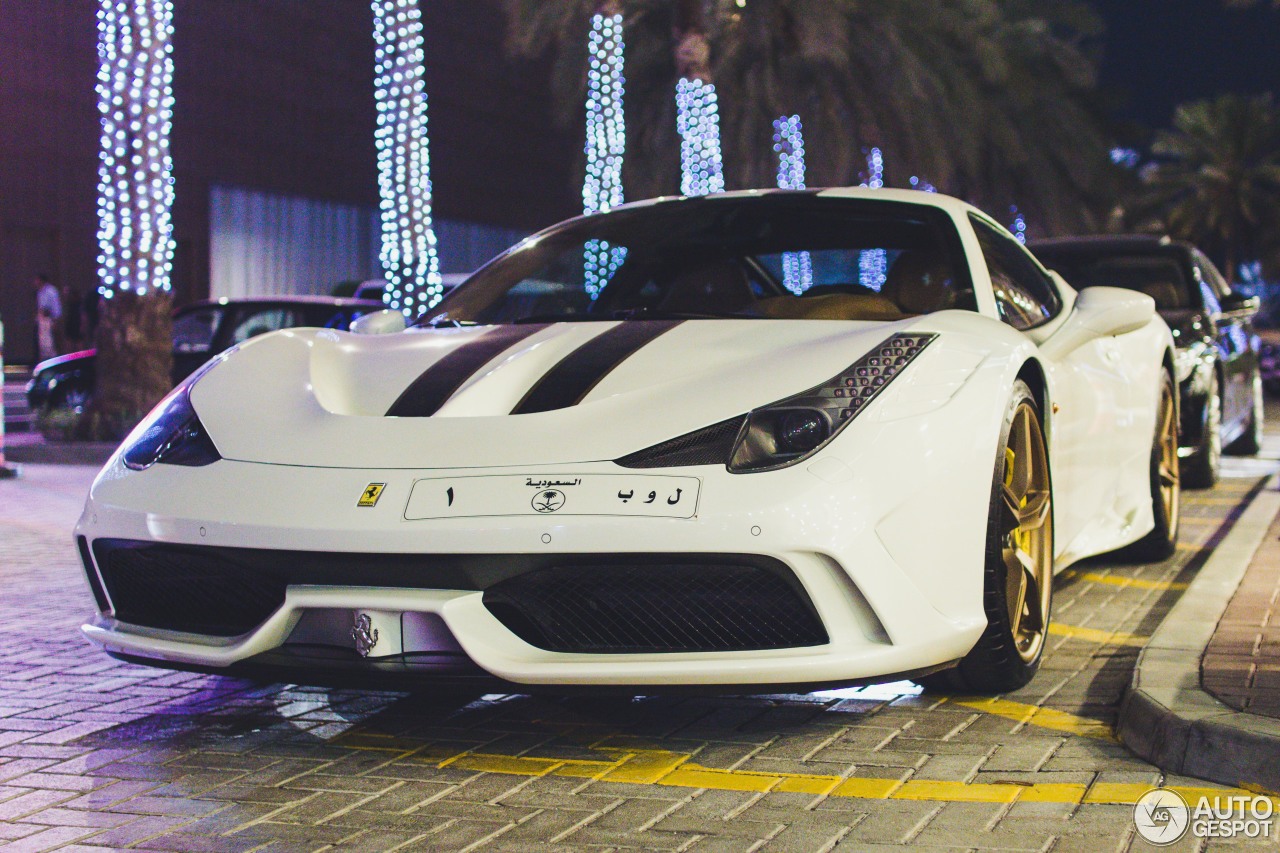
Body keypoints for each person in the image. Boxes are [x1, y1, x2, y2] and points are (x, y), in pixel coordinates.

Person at [33, 273, 61, 362]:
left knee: (49, 342)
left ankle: (52, 361)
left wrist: (55, 320)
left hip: (49, 319)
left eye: (37, 280)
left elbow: (56, 306)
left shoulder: (51, 291)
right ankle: (43, 361)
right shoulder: (40, 291)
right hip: (41, 318)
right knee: (42, 343)